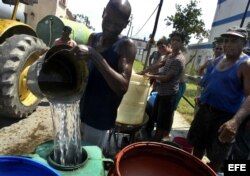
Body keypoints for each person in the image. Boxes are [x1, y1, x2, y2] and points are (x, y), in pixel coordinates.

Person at [70, 0, 136, 149]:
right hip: (80, 112)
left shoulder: (126, 46)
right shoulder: (93, 38)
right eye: (108, 19)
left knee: (90, 163)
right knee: (73, 156)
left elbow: (122, 86)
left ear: (126, 24)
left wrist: (95, 56)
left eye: (118, 23)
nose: (111, 26)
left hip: (99, 122)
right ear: (103, 12)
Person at [187, 26, 250, 173]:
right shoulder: (219, 59)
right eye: (226, 40)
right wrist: (203, 97)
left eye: (234, 41)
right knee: (197, 148)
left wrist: (235, 122)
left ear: (244, 43)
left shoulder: (245, 64)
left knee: (216, 159)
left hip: (224, 118)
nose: (227, 44)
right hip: (205, 111)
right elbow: (212, 83)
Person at [139, 31, 185, 142]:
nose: (174, 42)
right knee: (157, 116)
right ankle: (157, 136)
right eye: (173, 40)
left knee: (163, 121)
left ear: (182, 43)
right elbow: (160, 64)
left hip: (169, 95)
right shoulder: (170, 55)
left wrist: (152, 76)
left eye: (178, 40)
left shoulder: (179, 59)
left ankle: (158, 141)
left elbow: (167, 77)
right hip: (161, 92)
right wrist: (145, 71)